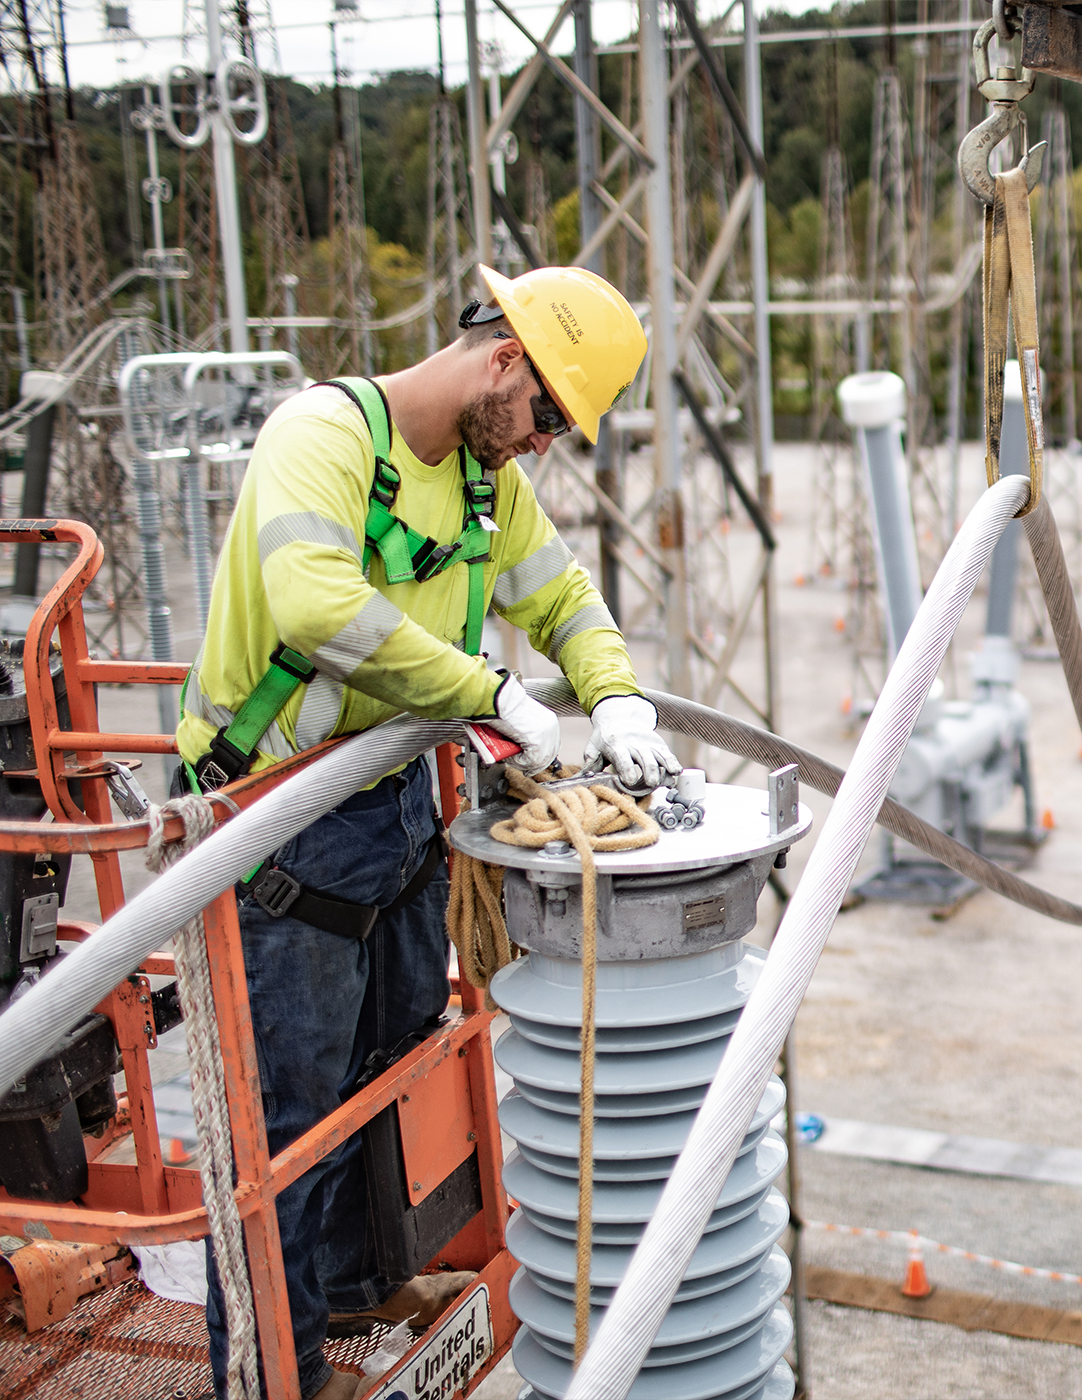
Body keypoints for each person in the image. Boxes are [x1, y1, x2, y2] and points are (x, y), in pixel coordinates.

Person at [178, 265, 682, 1400]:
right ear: (504, 356)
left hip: (401, 805)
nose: (546, 442)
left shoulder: (490, 485)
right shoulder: (325, 434)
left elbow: (562, 597)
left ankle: (353, 1283)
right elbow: (312, 598)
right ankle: (276, 1373)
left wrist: (615, 694)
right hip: (280, 819)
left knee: (391, 1071)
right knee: (291, 1120)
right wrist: (488, 693)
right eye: (549, 412)